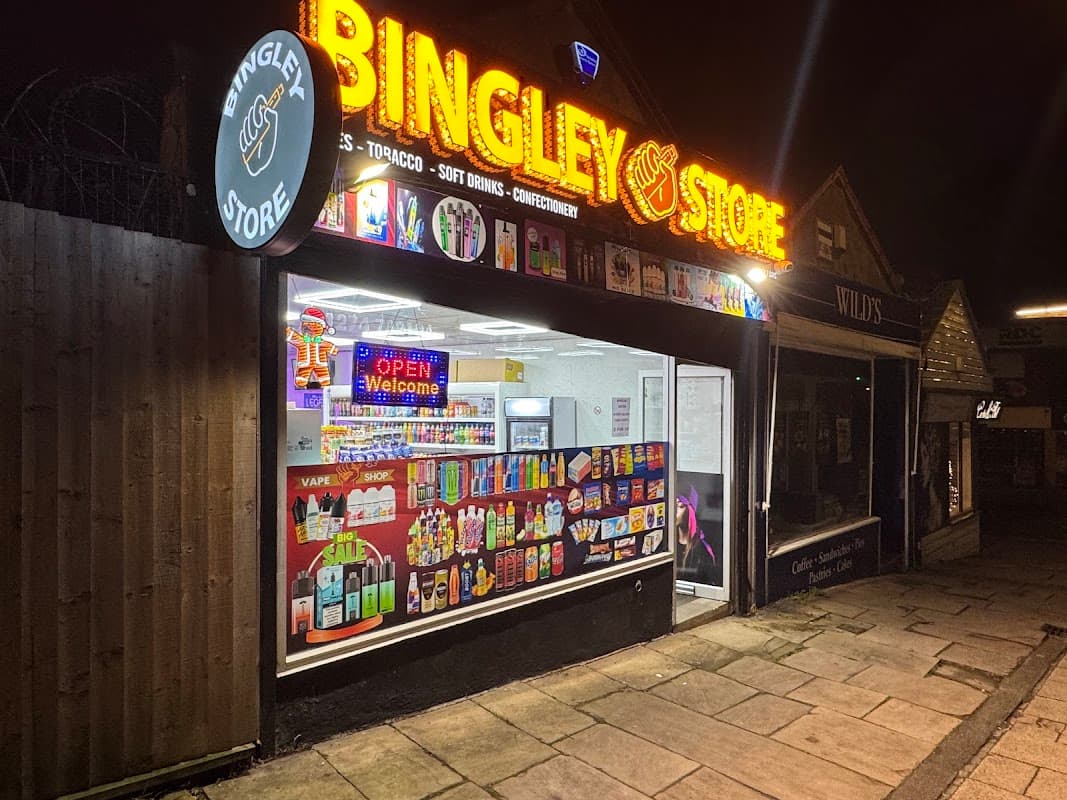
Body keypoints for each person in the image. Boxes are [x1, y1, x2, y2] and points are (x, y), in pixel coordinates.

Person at [676, 486, 717, 583]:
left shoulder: (703, 550)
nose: (674, 510)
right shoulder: (667, 543)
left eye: (680, 506)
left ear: (690, 512)